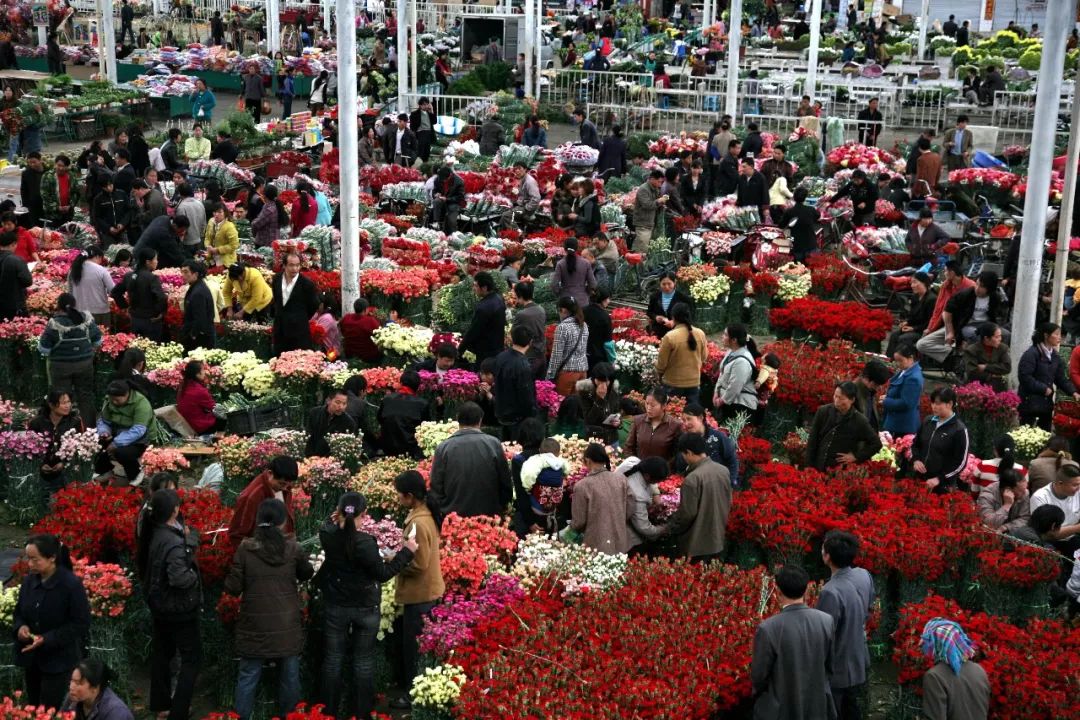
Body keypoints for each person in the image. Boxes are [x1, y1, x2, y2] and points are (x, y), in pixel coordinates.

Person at [318, 491, 418, 719]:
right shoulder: (365, 543)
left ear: (339, 512)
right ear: (364, 514)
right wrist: (407, 552)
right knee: (363, 661)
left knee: (333, 659)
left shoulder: (328, 535)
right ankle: (361, 713)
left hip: (337, 605)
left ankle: (327, 712)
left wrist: (332, 519)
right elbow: (383, 574)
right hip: (365, 608)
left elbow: (327, 527)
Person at [224, 498, 313, 720]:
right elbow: (307, 573)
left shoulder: (246, 549)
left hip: (254, 625)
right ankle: (290, 716)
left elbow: (233, 588)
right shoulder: (293, 548)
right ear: (283, 522)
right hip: (286, 624)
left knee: (248, 674)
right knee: (290, 675)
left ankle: (241, 717)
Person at [136, 490, 201, 720]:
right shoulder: (172, 542)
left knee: (163, 654)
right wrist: (194, 571)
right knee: (192, 658)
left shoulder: (154, 532)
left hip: (159, 606)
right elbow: (179, 578)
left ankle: (162, 706)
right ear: (174, 510)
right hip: (178, 609)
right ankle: (178, 711)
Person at [14, 534, 91, 710]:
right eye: (28, 558)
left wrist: (47, 639)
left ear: (52, 558)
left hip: (59, 662)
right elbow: (19, 612)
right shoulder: (29, 581)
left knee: (52, 709)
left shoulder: (70, 585)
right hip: (32, 659)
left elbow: (81, 623)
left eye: (35, 559)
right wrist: (21, 627)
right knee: (33, 706)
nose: (30, 564)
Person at [388, 470, 444, 710]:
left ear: (410, 496)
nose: (398, 499)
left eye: (400, 495)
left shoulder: (419, 522)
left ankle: (413, 696)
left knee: (415, 648)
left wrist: (394, 560)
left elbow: (418, 563)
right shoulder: (424, 514)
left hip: (420, 593)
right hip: (427, 591)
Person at [751, 565, 836, 720]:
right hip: (816, 705)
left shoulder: (768, 628)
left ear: (778, 592)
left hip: (780, 708)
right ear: (807, 590)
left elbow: (759, 676)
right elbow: (830, 665)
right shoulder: (826, 621)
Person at [817, 531, 874, 720]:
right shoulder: (863, 575)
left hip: (839, 665)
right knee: (852, 707)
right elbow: (870, 609)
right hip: (858, 656)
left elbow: (825, 634)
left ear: (828, 557)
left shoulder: (830, 592)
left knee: (835, 710)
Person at [429, 402, 512, 521]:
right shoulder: (493, 444)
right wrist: (501, 507)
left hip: (454, 519)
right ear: (480, 420)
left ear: (457, 418)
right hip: (489, 517)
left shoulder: (444, 447)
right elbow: (505, 483)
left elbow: (436, 488)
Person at [666, 432, 732, 562]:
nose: (683, 458)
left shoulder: (693, 478)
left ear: (689, 453)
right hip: (717, 537)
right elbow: (729, 500)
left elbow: (688, 513)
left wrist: (671, 527)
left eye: (683, 454)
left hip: (696, 543)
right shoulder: (723, 471)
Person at [38, 293, 102, 424]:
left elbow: (44, 348)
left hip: (61, 367)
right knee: (85, 396)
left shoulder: (55, 323)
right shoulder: (86, 319)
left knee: (62, 398)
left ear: (58, 306)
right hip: (85, 364)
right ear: (74, 305)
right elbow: (98, 341)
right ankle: (88, 428)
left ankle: (65, 428)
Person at [569, 443, 633, 554]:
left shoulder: (582, 486)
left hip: (595, 544)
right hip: (620, 540)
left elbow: (579, 522)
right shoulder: (621, 479)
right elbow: (631, 507)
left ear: (587, 461)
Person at [919, 619, 990, 720]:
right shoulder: (979, 670)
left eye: (927, 640)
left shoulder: (934, 676)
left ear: (937, 643)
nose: (921, 644)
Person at [805, 382, 882, 472]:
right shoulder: (823, 411)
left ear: (852, 400)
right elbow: (812, 440)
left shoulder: (859, 420)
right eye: (835, 396)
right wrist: (808, 466)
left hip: (839, 470)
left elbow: (876, 444)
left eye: (841, 398)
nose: (837, 401)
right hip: (818, 464)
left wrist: (856, 456)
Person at [1018, 322, 1080, 430]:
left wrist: (1073, 392)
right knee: (1027, 435)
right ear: (1046, 335)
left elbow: (1061, 379)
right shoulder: (1031, 354)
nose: (1059, 337)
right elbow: (1025, 377)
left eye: (1060, 334)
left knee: (1045, 436)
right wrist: (1043, 388)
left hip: (1046, 405)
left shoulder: (1055, 356)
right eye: (1056, 334)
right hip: (1029, 403)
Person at [911, 386, 970, 494]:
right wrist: (916, 460)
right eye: (933, 403)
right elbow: (916, 444)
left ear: (950, 404)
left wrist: (939, 478)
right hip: (920, 479)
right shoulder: (928, 421)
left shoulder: (959, 430)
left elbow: (961, 462)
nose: (934, 407)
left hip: (942, 486)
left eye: (938, 403)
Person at [95, 379, 155, 485]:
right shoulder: (109, 400)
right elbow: (104, 421)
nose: (113, 402)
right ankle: (105, 471)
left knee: (122, 453)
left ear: (127, 394)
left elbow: (138, 430)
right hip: (117, 433)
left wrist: (115, 443)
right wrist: (104, 432)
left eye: (117, 400)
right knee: (95, 444)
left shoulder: (141, 403)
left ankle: (136, 475)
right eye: (112, 399)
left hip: (140, 438)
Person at [228, 456, 297, 545]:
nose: (285, 488)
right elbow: (236, 535)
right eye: (281, 483)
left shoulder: (284, 487)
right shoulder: (251, 497)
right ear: (270, 473)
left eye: (288, 484)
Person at [29, 390, 86, 496]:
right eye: (63, 403)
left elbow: (80, 446)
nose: (68, 406)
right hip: (42, 468)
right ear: (51, 405)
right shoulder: (37, 422)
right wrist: (41, 464)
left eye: (69, 402)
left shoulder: (75, 421)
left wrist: (64, 463)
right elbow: (30, 447)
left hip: (66, 468)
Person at [656, 303, 708, 405]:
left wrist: (659, 375)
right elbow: (704, 357)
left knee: (672, 416)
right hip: (694, 383)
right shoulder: (700, 333)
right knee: (691, 417)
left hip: (672, 384)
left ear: (673, 317)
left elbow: (661, 364)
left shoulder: (670, 337)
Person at [493, 326, 538, 438]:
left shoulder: (500, 357)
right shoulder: (523, 365)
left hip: (501, 412)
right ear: (530, 342)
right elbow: (526, 395)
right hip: (518, 418)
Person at [271, 252, 319, 354]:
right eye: (291, 265)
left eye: (297, 265)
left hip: (299, 329)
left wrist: (300, 317)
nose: (295, 269)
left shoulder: (307, 284)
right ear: (284, 265)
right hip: (280, 328)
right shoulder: (277, 279)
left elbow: (313, 305)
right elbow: (276, 299)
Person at [377, 370, 430, 459]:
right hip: (411, 449)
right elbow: (426, 427)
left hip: (388, 447)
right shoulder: (422, 403)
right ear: (418, 386)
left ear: (401, 383)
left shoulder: (387, 399)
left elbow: (379, 418)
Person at [458, 271, 506, 367]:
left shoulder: (484, 307)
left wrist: (460, 350)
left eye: (476, 286)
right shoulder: (498, 299)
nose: (474, 289)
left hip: (486, 351)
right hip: (497, 347)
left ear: (484, 288)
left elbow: (473, 331)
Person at [713, 324, 759, 421]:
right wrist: (716, 393)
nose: (722, 337)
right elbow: (722, 373)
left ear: (734, 340)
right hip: (729, 401)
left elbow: (735, 386)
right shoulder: (731, 351)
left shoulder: (742, 361)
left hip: (740, 405)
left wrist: (722, 400)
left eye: (725, 335)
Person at [1029, 463, 1080, 551]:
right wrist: (1077, 528)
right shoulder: (1040, 497)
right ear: (1060, 483)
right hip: (1048, 543)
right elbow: (1050, 534)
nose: (1078, 488)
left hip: (1073, 538)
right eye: (1075, 485)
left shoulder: (1077, 492)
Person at [63, 658, 134, 720]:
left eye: (78, 683)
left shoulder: (116, 712)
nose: (71, 687)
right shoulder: (73, 697)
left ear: (95, 687)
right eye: (72, 681)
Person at [547, 296, 590, 396]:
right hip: (583, 371)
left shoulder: (562, 327)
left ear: (564, 310)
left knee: (562, 406)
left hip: (567, 374)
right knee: (577, 406)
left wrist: (549, 377)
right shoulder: (584, 325)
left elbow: (556, 356)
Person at [886, 273, 935, 357]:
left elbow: (930, 322)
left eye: (915, 282)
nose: (912, 285)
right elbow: (912, 316)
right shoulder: (915, 297)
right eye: (911, 283)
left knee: (903, 338)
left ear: (924, 283)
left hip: (923, 331)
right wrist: (906, 322)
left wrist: (913, 328)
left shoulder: (931, 299)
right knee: (894, 335)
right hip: (913, 328)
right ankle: (890, 360)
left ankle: (903, 361)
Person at [977, 460, 1031, 533]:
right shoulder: (987, 494)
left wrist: (1006, 527)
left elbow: (1025, 518)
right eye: (1021, 491)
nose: (1024, 493)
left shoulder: (1025, 493)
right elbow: (988, 523)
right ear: (1008, 490)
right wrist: (1007, 505)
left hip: (1012, 533)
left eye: (1025, 489)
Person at [305, 388, 358, 457]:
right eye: (338, 402)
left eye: (344, 404)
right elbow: (309, 436)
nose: (341, 407)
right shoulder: (315, 413)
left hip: (333, 461)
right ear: (328, 400)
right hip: (311, 457)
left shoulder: (349, 422)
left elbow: (346, 448)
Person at [511, 281, 547, 378]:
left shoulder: (522, 314)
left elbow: (514, 333)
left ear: (520, 296)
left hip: (529, 356)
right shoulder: (541, 310)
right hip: (541, 354)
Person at [176, 360, 220, 436]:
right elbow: (214, 407)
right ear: (197, 374)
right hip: (200, 426)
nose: (205, 372)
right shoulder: (198, 390)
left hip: (188, 424)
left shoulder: (183, 386)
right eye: (203, 370)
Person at [962, 322, 1010, 391]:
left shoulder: (1002, 348)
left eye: (1000, 336)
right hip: (977, 387)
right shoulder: (972, 350)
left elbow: (1007, 367)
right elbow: (972, 372)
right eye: (997, 337)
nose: (1000, 339)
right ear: (986, 338)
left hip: (997, 386)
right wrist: (992, 375)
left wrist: (985, 367)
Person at [180, 260, 215, 351]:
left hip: (200, 340)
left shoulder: (198, 292)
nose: (183, 275)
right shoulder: (196, 286)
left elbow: (200, 318)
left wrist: (192, 335)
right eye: (182, 272)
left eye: (186, 272)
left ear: (195, 274)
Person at [552, 238, 596, 308]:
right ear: (577, 248)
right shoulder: (586, 263)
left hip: (565, 302)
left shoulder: (560, 264)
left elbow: (554, 285)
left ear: (564, 248)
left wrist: (560, 294)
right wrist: (586, 293)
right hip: (582, 301)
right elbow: (593, 284)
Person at [646, 272, 692, 338]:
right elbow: (649, 312)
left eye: (669, 284)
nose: (666, 287)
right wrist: (656, 317)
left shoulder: (682, 298)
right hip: (658, 331)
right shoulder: (655, 296)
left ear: (674, 282)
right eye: (663, 284)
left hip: (676, 332)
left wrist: (674, 322)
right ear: (660, 283)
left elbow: (689, 315)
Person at [782, 188, 820, 262]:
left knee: (796, 269)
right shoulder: (811, 210)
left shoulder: (789, 212)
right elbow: (818, 216)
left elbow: (782, 225)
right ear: (805, 198)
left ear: (794, 198)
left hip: (796, 244)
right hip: (810, 243)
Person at [632, 170, 666, 252]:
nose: (660, 184)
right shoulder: (643, 189)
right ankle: (638, 264)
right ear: (652, 179)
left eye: (661, 182)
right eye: (659, 182)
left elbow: (654, 204)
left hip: (650, 223)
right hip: (643, 224)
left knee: (648, 250)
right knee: (641, 250)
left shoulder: (655, 188)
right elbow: (647, 205)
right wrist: (658, 201)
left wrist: (661, 204)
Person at [340, 297, 382, 362]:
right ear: (365, 309)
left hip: (349, 354)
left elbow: (342, 330)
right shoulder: (370, 321)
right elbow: (380, 334)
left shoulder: (346, 318)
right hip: (368, 356)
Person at [20, 152, 45, 227]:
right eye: (29, 163)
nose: (32, 164)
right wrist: (26, 205)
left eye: (34, 162)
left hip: (46, 204)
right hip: (33, 205)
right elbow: (23, 190)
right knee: (35, 227)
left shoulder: (48, 172)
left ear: (40, 160)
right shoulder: (26, 174)